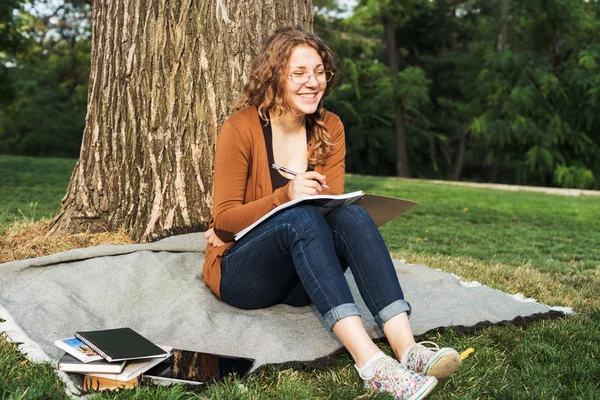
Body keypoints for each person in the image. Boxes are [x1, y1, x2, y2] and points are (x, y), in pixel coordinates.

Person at [203, 26, 461, 400]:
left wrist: (308, 205)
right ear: (274, 77)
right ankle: (371, 364)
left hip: (300, 279)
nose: (314, 82)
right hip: (242, 276)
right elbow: (225, 218)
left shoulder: (330, 127)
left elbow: (332, 210)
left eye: (320, 71)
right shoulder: (241, 127)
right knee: (300, 216)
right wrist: (284, 195)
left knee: (352, 215)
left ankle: (408, 349)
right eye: (300, 73)